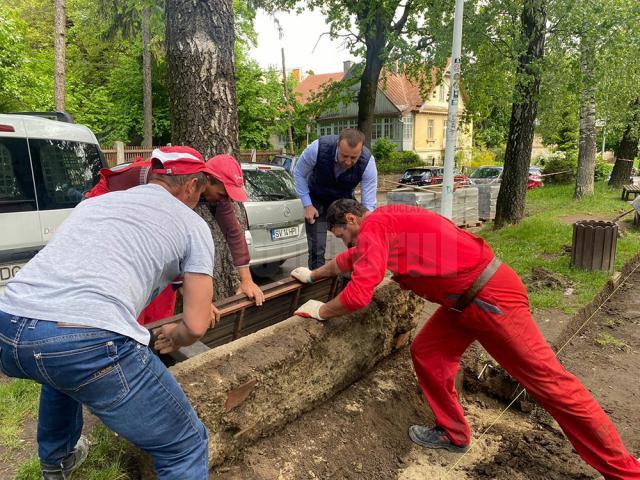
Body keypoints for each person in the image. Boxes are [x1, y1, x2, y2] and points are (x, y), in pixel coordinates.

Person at [291, 199, 640, 480]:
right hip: (466, 300)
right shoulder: (386, 222)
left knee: (550, 384)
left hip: (491, 299)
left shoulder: (373, 229)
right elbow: (348, 261)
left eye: (342, 234)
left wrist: (320, 312)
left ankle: (625, 471)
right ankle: (454, 433)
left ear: (352, 219)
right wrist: (313, 274)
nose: (345, 241)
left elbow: (358, 296)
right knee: (428, 351)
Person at [0, 146, 219, 479]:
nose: (198, 200)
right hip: (84, 340)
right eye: (199, 192)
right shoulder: (193, 224)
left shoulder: (95, 204)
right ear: (190, 187)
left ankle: (56, 465)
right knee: (185, 444)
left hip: (8, 323)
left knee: (59, 370)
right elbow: (196, 324)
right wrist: (176, 335)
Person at [85, 151, 265, 326]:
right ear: (206, 180)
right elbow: (159, 244)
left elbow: (233, 232)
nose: (224, 200)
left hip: (148, 221)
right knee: (136, 282)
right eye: (222, 194)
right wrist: (198, 301)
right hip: (110, 205)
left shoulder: (211, 193)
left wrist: (247, 280)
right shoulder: (164, 182)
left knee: (163, 298)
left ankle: (156, 336)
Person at [293, 128, 377, 269]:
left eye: (354, 158)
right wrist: (307, 204)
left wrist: (367, 227)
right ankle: (317, 284)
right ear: (338, 145)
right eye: (344, 156)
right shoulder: (317, 148)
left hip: (343, 202)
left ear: (361, 151)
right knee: (317, 249)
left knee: (358, 243)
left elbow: (368, 203)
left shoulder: (368, 163)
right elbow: (299, 173)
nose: (348, 162)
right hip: (316, 200)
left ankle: (353, 281)